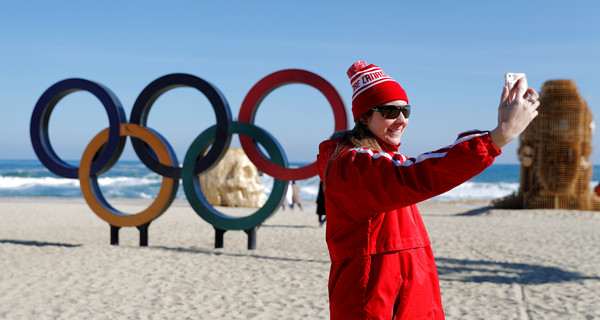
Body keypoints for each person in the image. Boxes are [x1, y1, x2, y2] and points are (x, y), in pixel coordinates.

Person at [316, 61, 539, 319]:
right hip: (374, 303)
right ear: (364, 117)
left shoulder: (381, 160)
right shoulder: (353, 165)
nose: (401, 120)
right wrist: (499, 136)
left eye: (405, 111)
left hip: (408, 299)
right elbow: (417, 174)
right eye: (389, 111)